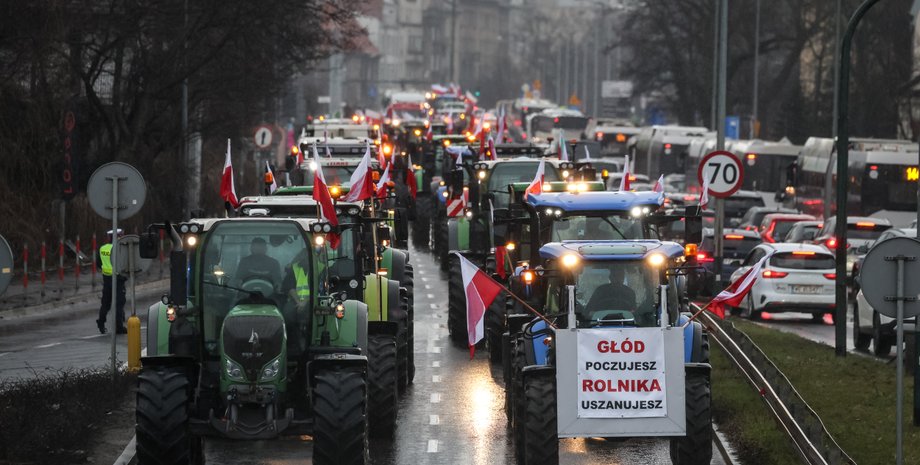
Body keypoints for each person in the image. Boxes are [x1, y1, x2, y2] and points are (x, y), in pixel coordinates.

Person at [97, 229, 126, 334]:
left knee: (105, 303)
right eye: (121, 235)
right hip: (118, 278)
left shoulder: (102, 248)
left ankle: (101, 323)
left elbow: (98, 263)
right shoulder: (118, 249)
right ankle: (119, 327)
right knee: (119, 303)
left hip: (107, 279)